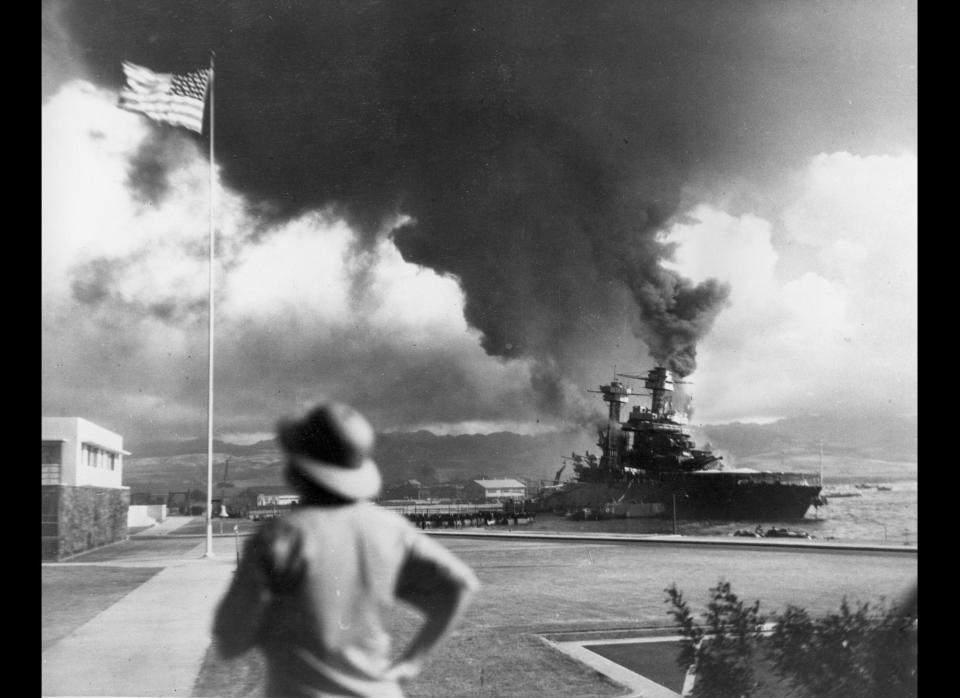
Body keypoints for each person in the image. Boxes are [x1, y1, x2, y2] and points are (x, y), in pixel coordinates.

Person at [212, 402, 480, 697]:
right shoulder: (391, 528)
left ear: (296, 469)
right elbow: (461, 585)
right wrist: (411, 663)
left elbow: (230, 640)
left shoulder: (279, 537)